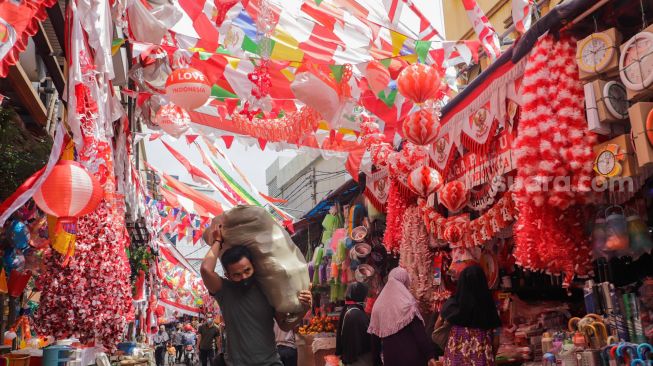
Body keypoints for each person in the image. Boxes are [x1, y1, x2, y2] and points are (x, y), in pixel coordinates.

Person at [200, 225, 312, 366]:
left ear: (254, 266)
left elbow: (284, 325)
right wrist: (217, 241)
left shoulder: (268, 289)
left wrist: (304, 309)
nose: (244, 277)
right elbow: (205, 269)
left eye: (247, 270)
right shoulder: (224, 290)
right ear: (227, 275)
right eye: (237, 274)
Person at [368, 267, 437, 366]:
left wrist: (376, 362)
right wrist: (430, 356)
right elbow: (420, 334)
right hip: (414, 359)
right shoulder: (407, 303)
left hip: (391, 359)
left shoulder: (378, 306)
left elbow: (375, 340)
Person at [436, 265, 501, 366]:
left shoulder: (452, 304)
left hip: (455, 358)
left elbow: (438, 325)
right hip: (482, 359)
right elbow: (496, 341)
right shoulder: (489, 307)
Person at [335, 282, 376, 366]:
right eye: (366, 296)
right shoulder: (355, 314)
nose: (366, 299)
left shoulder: (351, 310)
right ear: (359, 295)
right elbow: (363, 337)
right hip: (359, 359)